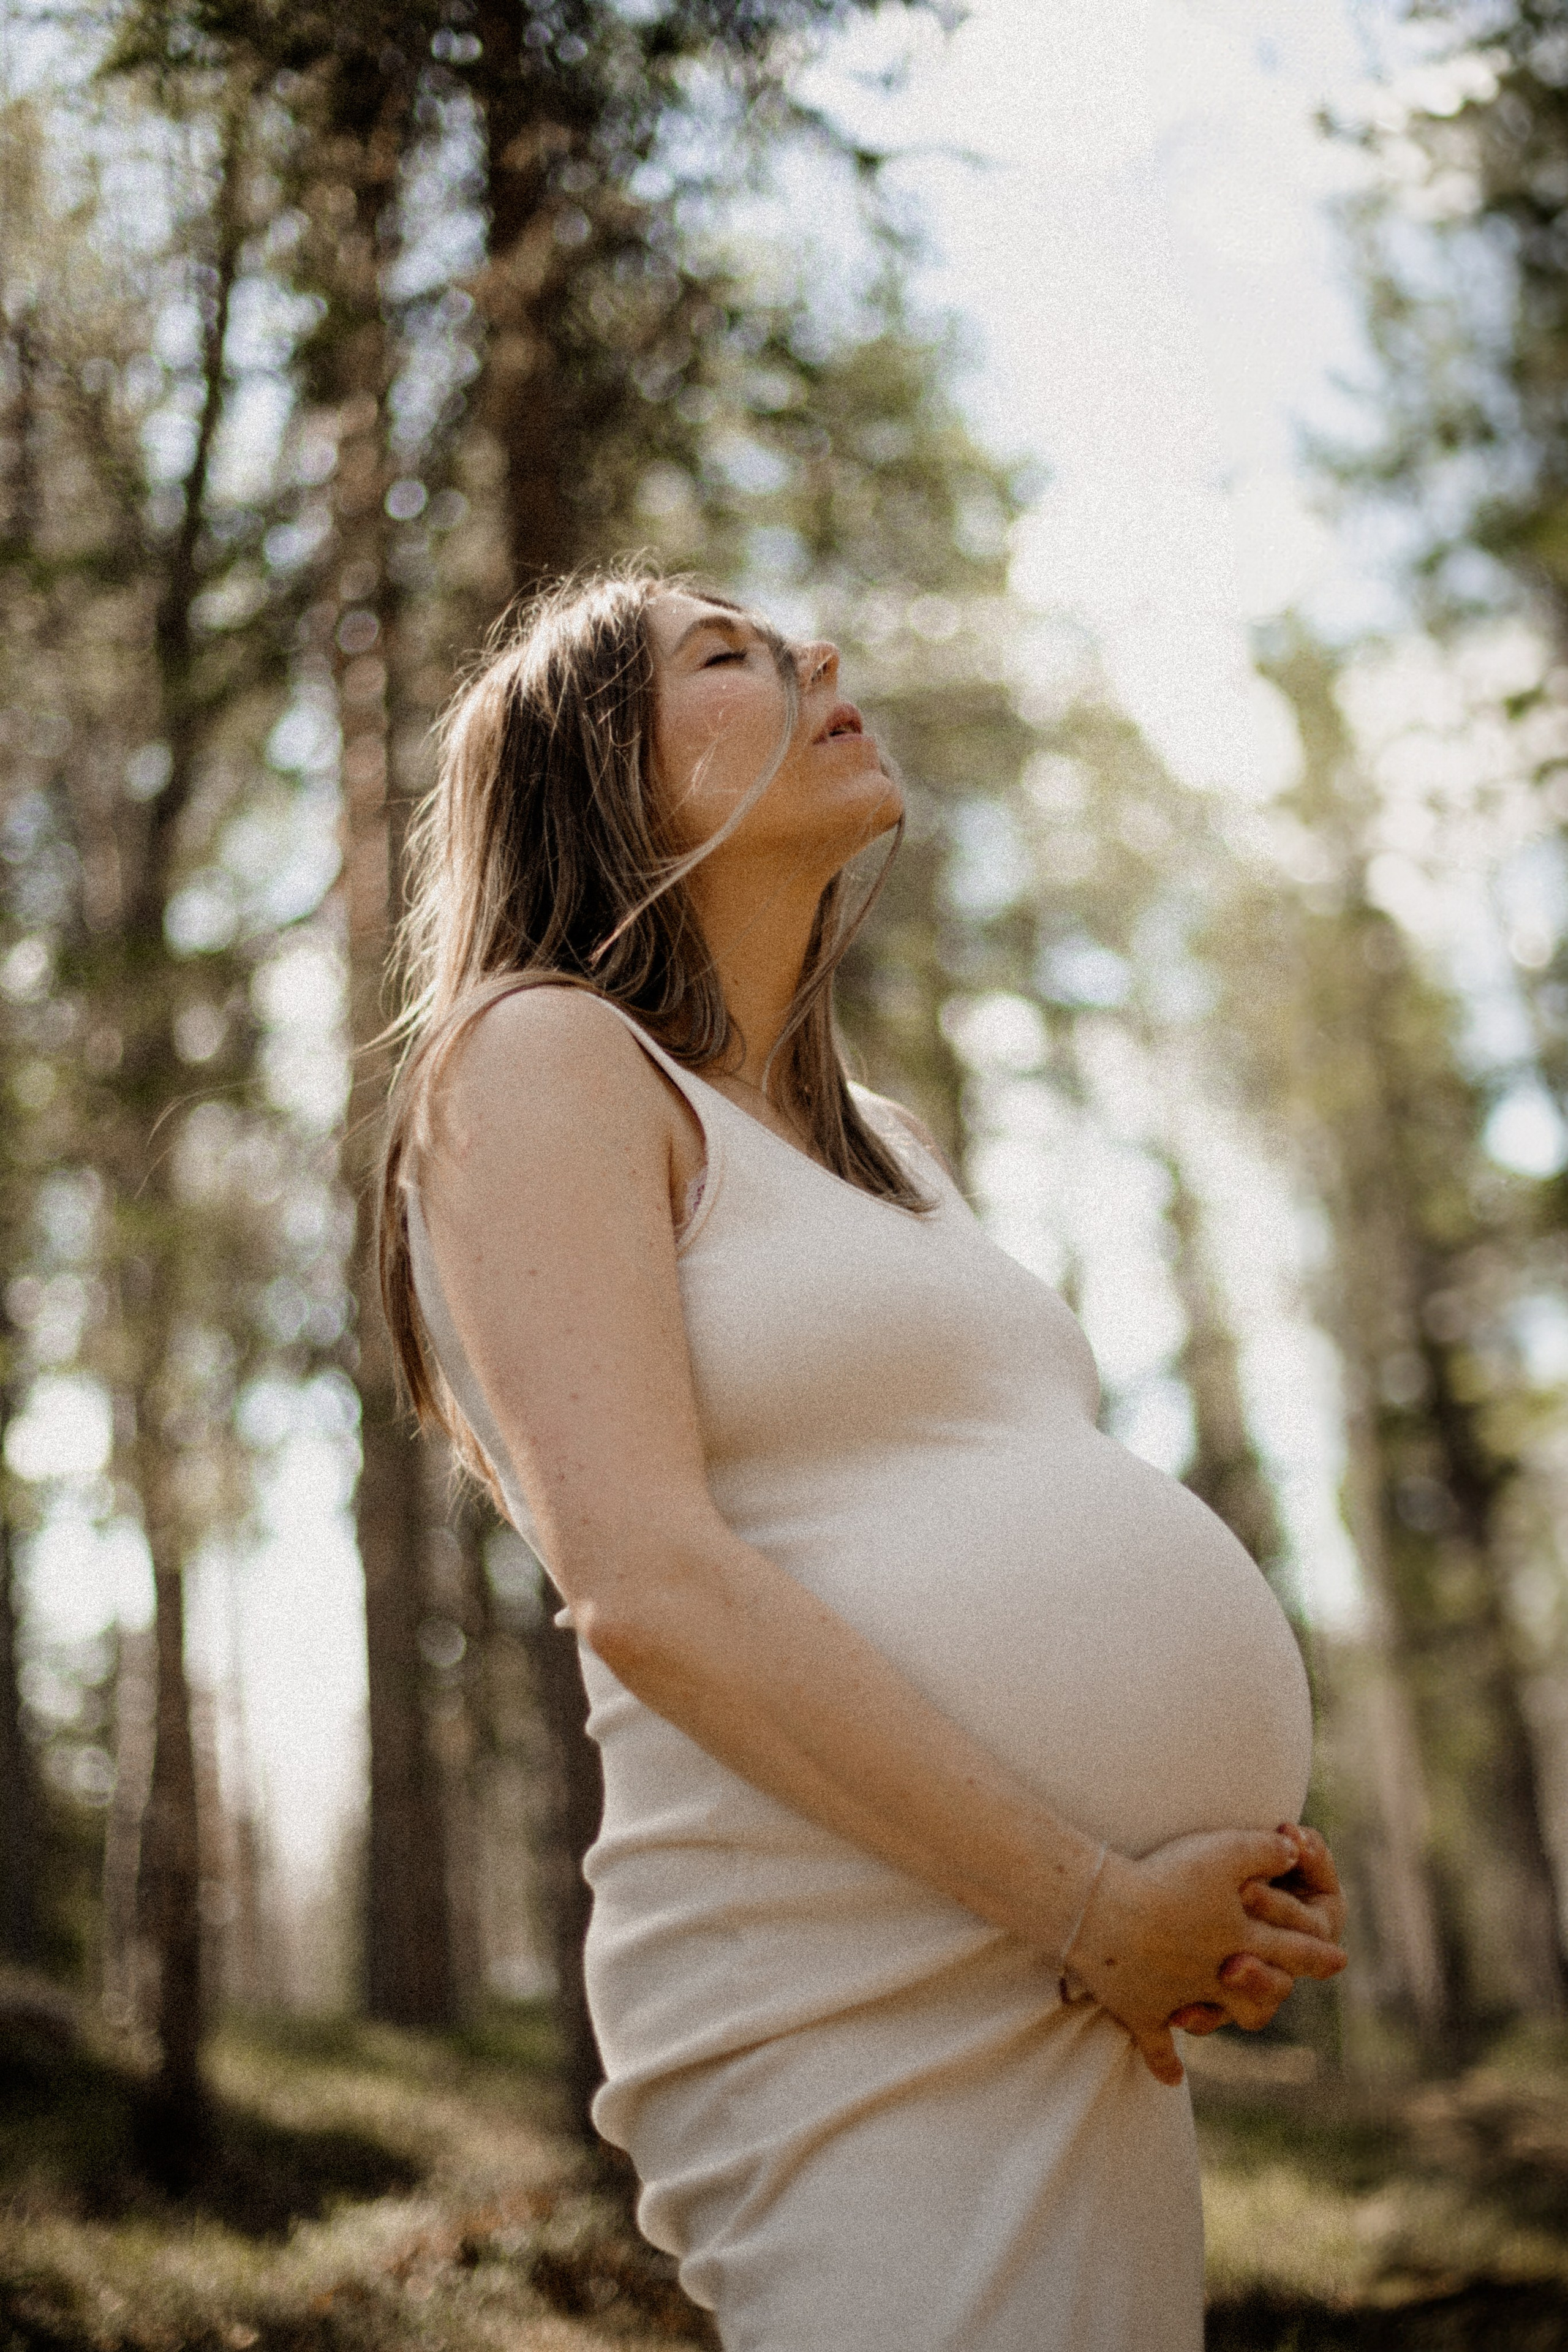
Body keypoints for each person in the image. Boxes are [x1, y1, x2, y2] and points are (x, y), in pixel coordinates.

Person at [378, 564, 1348, 2352]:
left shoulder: (879, 1140)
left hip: (1060, 1973)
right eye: (724, 656)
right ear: (593, 776)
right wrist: (1091, 1893)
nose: (818, 654)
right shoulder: (540, 1057)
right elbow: (644, 1582)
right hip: (854, 1977)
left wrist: (1216, 1871)